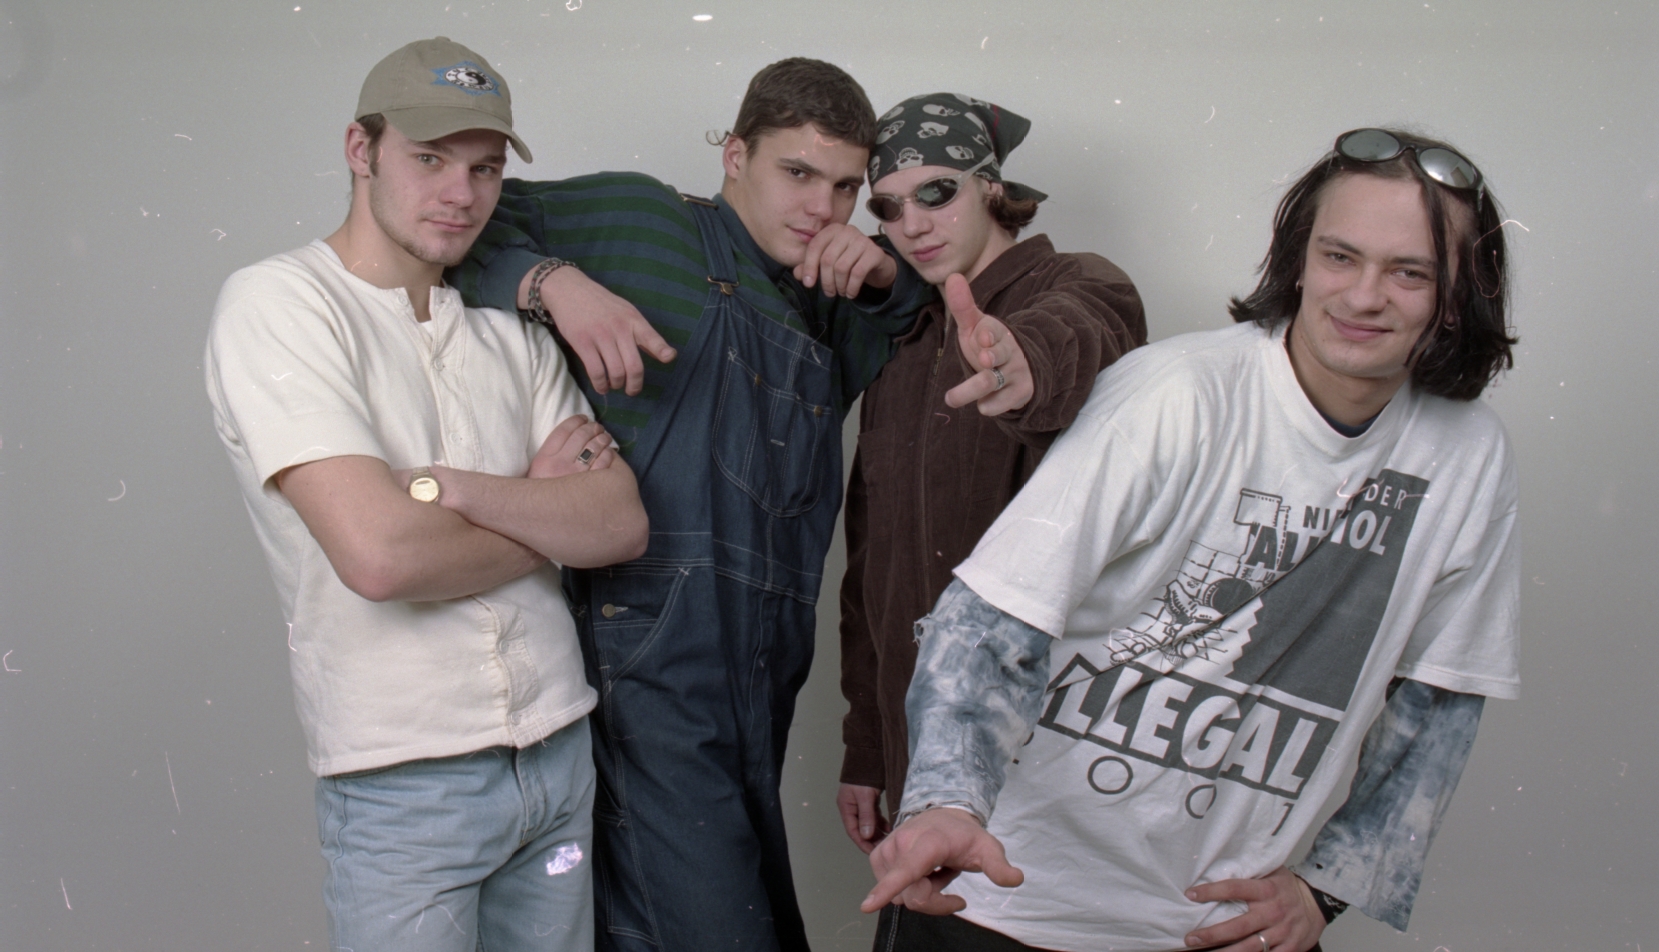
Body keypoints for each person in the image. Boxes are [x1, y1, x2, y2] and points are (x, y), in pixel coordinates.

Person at [862, 128, 1520, 952]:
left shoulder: (1466, 456)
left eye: (1408, 272)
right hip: (1005, 899)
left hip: (1220, 927)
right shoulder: (1176, 393)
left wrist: (1327, 888)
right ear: (1298, 259)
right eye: (1339, 257)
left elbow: (1437, 703)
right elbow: (988, 619)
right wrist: (945, 802)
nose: (1362, 297)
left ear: (1457, 296)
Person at [448, 59, 932, 952]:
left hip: (761, 668)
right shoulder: (643, 217)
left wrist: (884, 281)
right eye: (796, 172)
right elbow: (456, 220)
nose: (821, 209)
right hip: (650, 659)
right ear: (734, 155)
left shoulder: (826, 301)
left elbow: (930, 333)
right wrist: (553, 281)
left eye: (843, 188)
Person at [204, 37, 648, 952]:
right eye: (430, 158)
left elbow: (618, 522)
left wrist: (456, 494)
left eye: (485, 169)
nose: (461, 194)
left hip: (561, 751)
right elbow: (381, 557)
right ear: (360, 149)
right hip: (404, 777)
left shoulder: (512, 336)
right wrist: (538, 505)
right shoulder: (280, 304)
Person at [835, 93, 1146, 853]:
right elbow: (870, 572)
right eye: (888, 207)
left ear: (992, 188)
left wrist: (1021, 362)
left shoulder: (1081, 284)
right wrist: (868, 747)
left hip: (1046, 748)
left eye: (936, 193)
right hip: (918, 751)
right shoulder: (902, 349)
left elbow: (1082, 328)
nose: (912, 224)